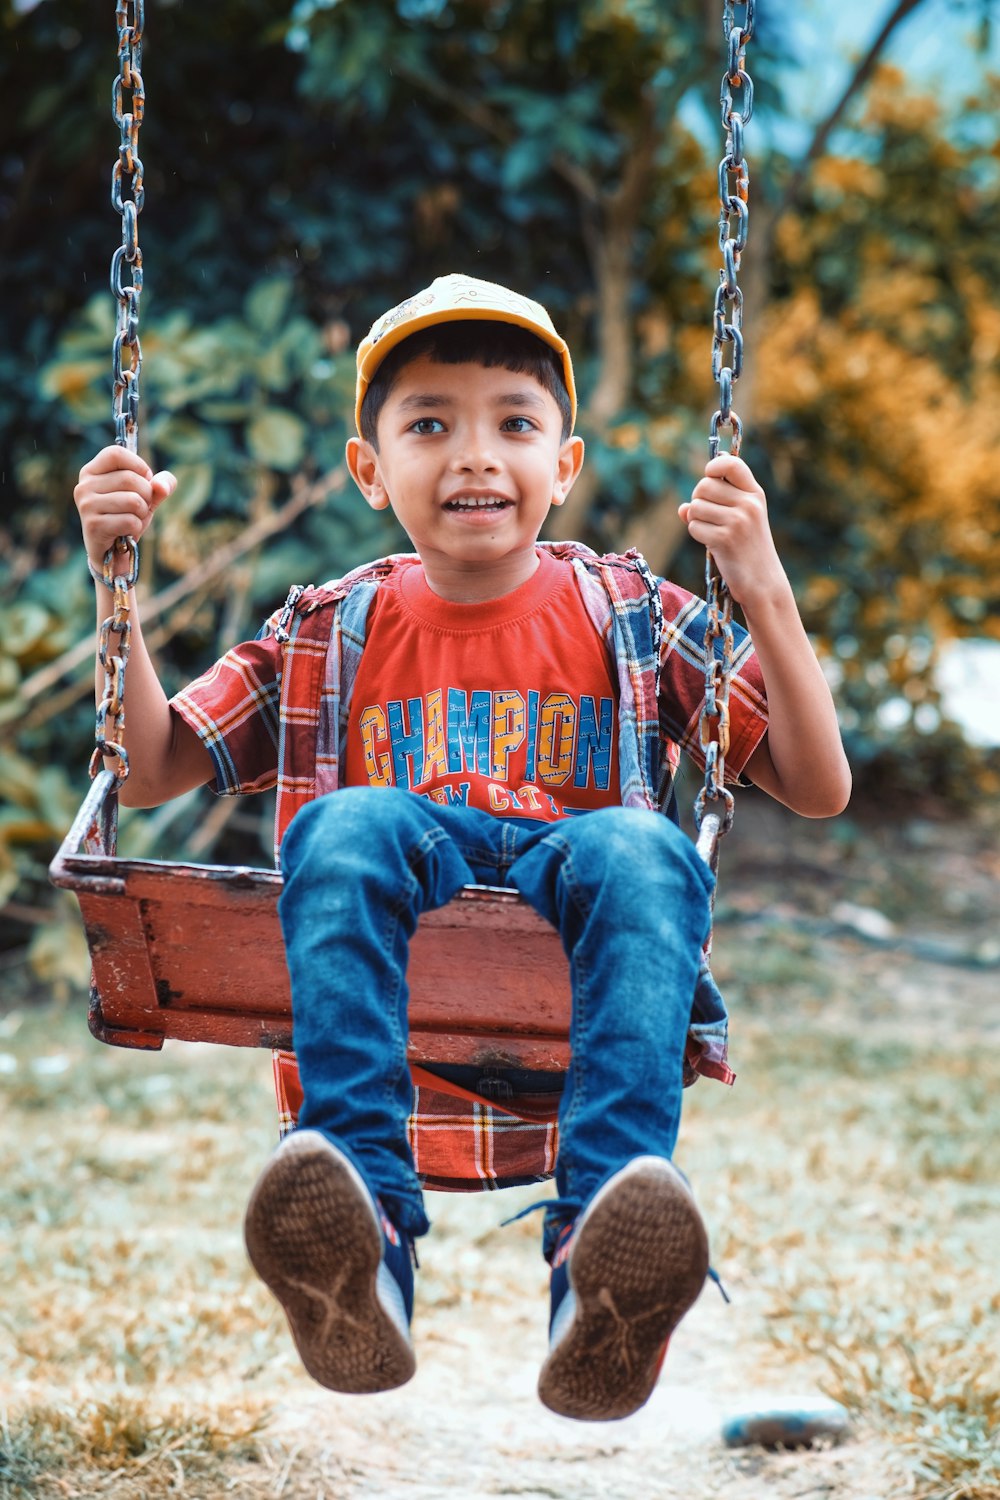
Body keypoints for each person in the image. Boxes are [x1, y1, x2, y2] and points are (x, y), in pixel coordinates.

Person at [74, 273, 851, 1422]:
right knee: (342, 822)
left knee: (640, 848)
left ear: (565, 465)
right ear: (369, 469)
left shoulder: (629, 612)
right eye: (429, 424)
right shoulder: (327, 625)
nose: (475, 455)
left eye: (513, 423)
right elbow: (146, 769)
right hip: (407, 903)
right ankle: (366, 1237)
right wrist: (114, 584)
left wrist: (765, 591)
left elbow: (817, 784)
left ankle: (602, 1260)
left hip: (573, 908)